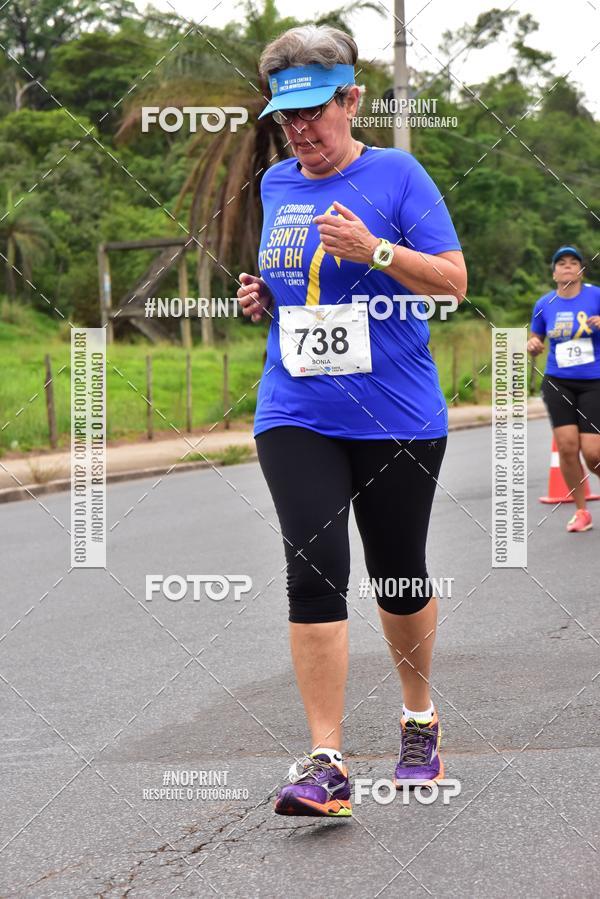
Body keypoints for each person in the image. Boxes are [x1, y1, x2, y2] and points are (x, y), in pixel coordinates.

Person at [237, 24, 467, 818]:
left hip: (397, 411)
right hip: (296, 406)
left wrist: (374, 251)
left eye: (315, 112)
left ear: (352, 99)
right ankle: (327, 760)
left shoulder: (401, 175)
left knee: (398, 569)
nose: (301, 131)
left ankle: (417, 719)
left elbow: (452, 284)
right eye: (287, 117)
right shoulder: (275, 185)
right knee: (314, 565)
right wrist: (264, 299)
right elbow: (296, 285)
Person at [528, 246, 600, 532]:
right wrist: (532, 345)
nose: (568, 266)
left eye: (574, 263)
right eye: (562, 263)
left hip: (594, 381)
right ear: (554, 271)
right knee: (568, 449)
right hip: (558, 381)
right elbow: (535, 338)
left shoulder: (596, 296)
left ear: (581, 271)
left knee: (593, 453)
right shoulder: (544, 303)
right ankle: (582, 512)